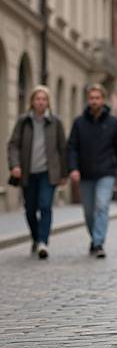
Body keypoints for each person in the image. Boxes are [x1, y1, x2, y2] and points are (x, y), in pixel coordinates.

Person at [68, 84, 117, 258]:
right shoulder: (79, 123)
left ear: (103, 100)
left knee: (101, 206)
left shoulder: (113, 123)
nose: (94, 101)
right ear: (88, 100)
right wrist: (73, 168)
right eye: (91, 98)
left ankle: (98, 242)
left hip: (106, 172)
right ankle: (95, 238)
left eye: (97, 97)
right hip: (85, 173)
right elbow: (72, 147)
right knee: (88, 212)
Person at [7, 85, 67, 259]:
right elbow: (13, 145)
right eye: (37, 99)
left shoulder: (56, 122)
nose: (41, 102)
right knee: (30, 209)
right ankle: (36, 238)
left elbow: (62, 148)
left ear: (48, 102)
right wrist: (15, 165)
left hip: (48, 173)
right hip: (27, 173)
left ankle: (43, 242)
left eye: (44, 99)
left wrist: (63, 174)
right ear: (32, 101)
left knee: (45, 205)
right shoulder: (23, 121)